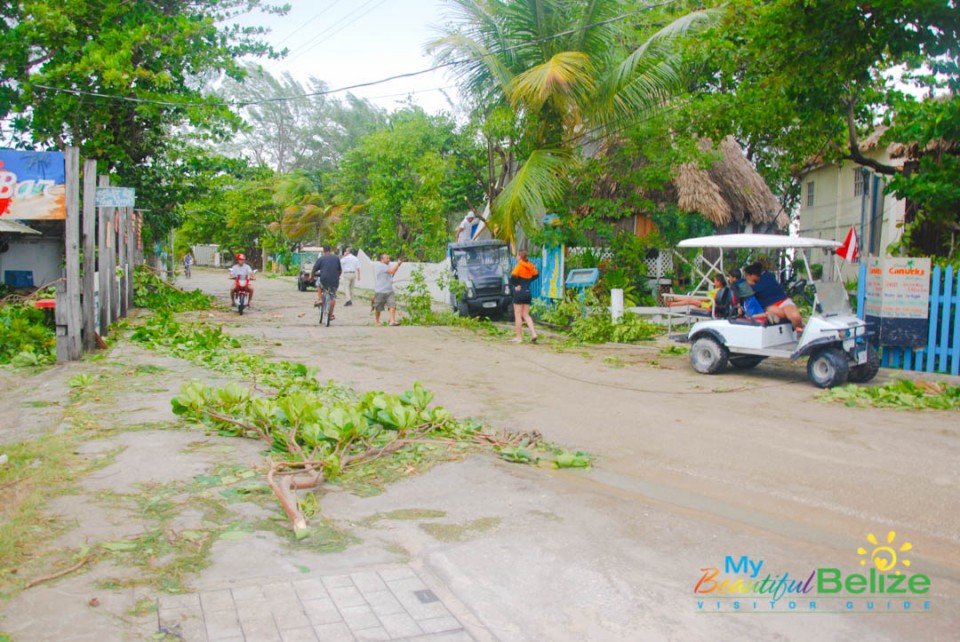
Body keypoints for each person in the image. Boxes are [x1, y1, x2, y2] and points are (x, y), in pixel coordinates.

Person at [743, 262, 804, 332]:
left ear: (752, 275)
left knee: (795, 317)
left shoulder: (767, 276)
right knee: (779, 313)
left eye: (747, 276)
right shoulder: (748, 287)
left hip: (783, 302)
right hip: (770, 308)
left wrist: (750, 283)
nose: (746, 278)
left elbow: (758, 288)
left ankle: (799, 331)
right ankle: (796, 328)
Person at [509, 249, 539, 343]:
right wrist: (529, 281)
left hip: (519, 293)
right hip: (527, 292)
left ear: (520, 256)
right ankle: (534, 333)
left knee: (518, 315)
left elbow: (513, 277)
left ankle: (519, 337)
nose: (516, 257)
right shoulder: (530, 266)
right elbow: (536, 275)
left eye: (517, 255)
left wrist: (516, 285)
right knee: (525, 315)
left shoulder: (519, 266)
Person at [311, 245, 342, 320]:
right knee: (333, 297)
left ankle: (320, 299)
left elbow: (313, 270)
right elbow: (340, 271)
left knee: (318, 283)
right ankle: (331, 315)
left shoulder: (321, 259)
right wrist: (337, 277)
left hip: (324, 280)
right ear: (330, 250)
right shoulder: (336, 258)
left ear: (323, 251)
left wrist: (311, 278)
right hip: (334, 281)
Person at [373, 253, 403, 326]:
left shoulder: (386, 266)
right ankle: (377, 321)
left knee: (392, 305)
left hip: (389, 290)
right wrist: (398, 264)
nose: (389, 260)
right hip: (380, 291)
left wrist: (398, 265)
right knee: (378, 308)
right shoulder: (381, 266)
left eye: (389, 258)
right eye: (387, 258)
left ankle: (392, 321)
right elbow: (392, 271)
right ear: (382, 259)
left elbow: (391, 272)